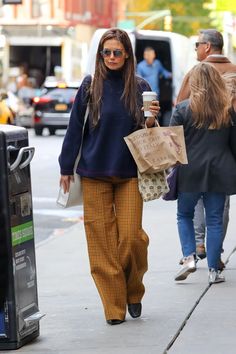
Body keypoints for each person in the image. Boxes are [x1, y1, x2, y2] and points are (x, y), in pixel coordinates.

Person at [59, 28, 160, 325]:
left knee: (131, 239)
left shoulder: (140, 86)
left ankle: (133, 290)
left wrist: (152, 119)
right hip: (94, 174)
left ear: (127, 54)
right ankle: (114, 309)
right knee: (101, 243)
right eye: (107, 52)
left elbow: (151, 135)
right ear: (100, 55)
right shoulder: (90, 86)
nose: (112, 57)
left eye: (117, 52)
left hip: (129, 174)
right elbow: (74, 128)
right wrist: (66, 168)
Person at [170, 62, 236, 284]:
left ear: (194, 83)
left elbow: (173, 144)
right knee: (215, 220)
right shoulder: (228, 110)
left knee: (184, 214)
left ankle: (189, 257)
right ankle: (214, 271)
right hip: (220, 170)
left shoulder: (182, 109)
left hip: (190, 170)